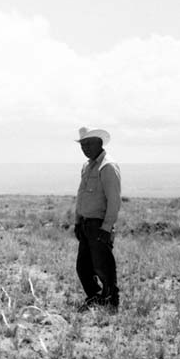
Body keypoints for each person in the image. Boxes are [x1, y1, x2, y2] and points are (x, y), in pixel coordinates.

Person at [73, 127, 121, 310]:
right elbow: (81, 195)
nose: (84, 148)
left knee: (103, 266)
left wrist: (106, 228)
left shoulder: (107, 166)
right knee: (83, 267)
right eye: (82, 144)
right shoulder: (87, 166)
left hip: (99, 225)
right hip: (85, 223)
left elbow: (114, 200)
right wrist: (78, 221)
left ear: (99, 143)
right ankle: (96, 297)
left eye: (88, 143)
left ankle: (111, 299)